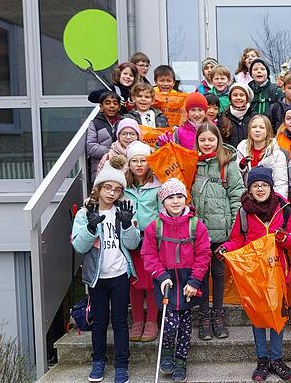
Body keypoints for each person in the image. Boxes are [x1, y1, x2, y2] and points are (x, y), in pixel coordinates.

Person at [216, 167, 291, 382]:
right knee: (258, 318)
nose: (260, 189)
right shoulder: (244, 212)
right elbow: (238, 239)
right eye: (255, 186)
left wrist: (283, 238)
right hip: (254, 274)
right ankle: (262, 360)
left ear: (271, 187)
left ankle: (277, 359)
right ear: (249, 189)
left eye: (264, 185)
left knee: (278, 317)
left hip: (278, 271)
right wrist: (227, 247)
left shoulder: (284, 209)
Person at [71, 155, 140, 383]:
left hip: (119, 274)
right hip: (97, 277)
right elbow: (78, 245)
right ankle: (98, 361)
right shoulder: (85, 213)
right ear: (98, 188)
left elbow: (132, 244)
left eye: (117, 189)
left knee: (120, 321)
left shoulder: (123, 211)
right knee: (99, 322)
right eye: (107, 188)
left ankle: (122, 365)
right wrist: (91, 227)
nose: (112, 193)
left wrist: (128, 224)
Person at [141, 178, 211, 382]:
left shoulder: (196, 225)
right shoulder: (155, 227)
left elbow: (204, 253)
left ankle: (181, 360)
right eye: (170, 197)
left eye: (179, 196)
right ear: (163, 201)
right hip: (167, 283)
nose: (175, 201)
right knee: (170, 324)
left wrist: (195, 280)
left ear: (186, 199)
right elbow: (148, 255)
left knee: (186, 326)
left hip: (189, 282)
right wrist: (161, 275)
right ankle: (167, 351)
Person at [191, 122, 245, 341]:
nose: (206, 144)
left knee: (219, 274)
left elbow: (237, 196)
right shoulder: (191, 162)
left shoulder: (227, 164)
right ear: (197, 141)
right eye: (202, 140)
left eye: (210, 139)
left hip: (221, 231)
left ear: (218, 140)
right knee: (201, 274)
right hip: (198, 232)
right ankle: (204, 316)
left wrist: (233, 227)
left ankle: (218, 314)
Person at [123, 141, 161, 343]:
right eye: (134, 161)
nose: (139, 165)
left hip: (151, 240)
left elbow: (162, 212)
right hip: (130, 239)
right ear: (128, 164)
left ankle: (152, 321)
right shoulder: (123, 186)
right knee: (135, 281)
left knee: (151, 280)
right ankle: (137, 320)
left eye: (143, 160)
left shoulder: (156, 184)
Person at [236, 114, 289, 199]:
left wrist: (278, 204)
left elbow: (281, 183)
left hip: (269, 200)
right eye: (254, 127)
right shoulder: (242, 149)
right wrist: (241, 167)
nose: (257, 130)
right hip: (247, 198)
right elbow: (235, 180)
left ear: (268, 131)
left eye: (261, 127)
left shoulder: (277, 154)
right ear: (249, 130)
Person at [87, 91, 123, 181]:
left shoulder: (124, 122)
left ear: (119, 107)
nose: (111, 106)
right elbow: (91, 147)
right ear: (101, 107)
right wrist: (112, 153)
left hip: (122, 167)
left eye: (115, 103)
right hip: (101, 168)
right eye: (107, 103)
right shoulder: (95, 123)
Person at [218, 82, 255, 148]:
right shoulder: (223, 117)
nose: (238, 98)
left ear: (247, 98)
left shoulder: (254, 117)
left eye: (241, 95)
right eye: (235, 95)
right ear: (230, 98)